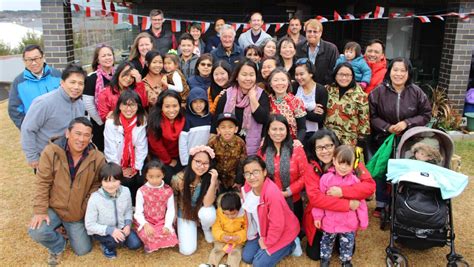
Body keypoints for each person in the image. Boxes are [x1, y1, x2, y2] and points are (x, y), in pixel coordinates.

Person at [28, 117, 106, 265]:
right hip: (55, 207)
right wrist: (40, 211)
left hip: (76, 212)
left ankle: (66, 229)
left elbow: (97, 185)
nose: (81, 139)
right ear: (67, 133)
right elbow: (42, 182)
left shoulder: (98, 157)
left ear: (91, 138)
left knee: (83, 250)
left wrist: (84, 205)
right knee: (36, 231)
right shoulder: (51, 152)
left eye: (86, 135)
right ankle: (58, 245)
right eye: (77, 133)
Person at [369, 57, 432, 215]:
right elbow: (371, 116)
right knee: (383, 170)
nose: (398, 74)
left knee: (404, 171)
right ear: (389, 72)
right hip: (384, 139)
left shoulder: (417, 92)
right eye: (395, 70)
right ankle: (382, 203)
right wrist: (387, 127)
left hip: (409, 140)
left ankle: (402, 202)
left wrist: (407, 123)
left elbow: (426, 114)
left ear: (408, 73)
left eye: (403, 70)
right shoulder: (378, 92)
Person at [303, 129, 375, 261]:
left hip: (345, 218)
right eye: (319, 147)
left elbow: (369, 187)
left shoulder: (349, 161)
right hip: (322, 216)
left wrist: (343, 192)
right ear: (314, 150)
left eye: (329, 146)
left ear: (336, 145)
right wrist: (347, 204)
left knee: (347, 250)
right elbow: (315, 199)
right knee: (314, 255)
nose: (324, 151)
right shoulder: (311, 167)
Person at [21, 64, 87, 170]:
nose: (76, 87)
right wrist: (32, 158)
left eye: (80, 83)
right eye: (72, 82)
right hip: (47, 159)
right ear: (62, 82)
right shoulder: (44, 103)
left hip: (69, 159)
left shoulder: (80, 104)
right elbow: (28, 129)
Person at [311, 145, 368, 267]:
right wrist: (317, 217)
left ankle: (346, 260)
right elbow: (320, 200)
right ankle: (325, 259)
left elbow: (361, 203)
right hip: (329, 221)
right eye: (340, 162)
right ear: (334, 160)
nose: (343, 167)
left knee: (348, 243)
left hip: (348, 222)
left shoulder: (355, 181)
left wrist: (363, 221)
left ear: (354, 164)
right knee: (326, 241)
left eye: (348, 164)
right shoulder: (326, 179)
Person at [241, 156, 300, 266]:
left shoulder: (272, 194)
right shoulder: (247, 189)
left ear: (264, 172)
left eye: (255, 172)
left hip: (282, 232)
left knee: (258, 264)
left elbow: (277, 225)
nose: (251, 177)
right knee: (247, 257)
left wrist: (267, 243)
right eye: (247, 173)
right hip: (262, 230)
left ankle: (291, 245)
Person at [84, 162, 142, 259]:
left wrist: (127, 225)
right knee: (113, 241)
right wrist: (110, 230)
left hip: (121, 227)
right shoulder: (95, 198)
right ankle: (107, 245)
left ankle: (119, 239)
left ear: (120, 180)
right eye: (106, 181)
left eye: (114, 180)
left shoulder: (126, 191)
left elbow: (128, 210)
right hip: (103, 231)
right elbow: (89, 225)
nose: (110, 185)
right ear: (101, 182)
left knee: (135, 244)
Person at [257, 114, 307, 223]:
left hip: (293, 200)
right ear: (268, 131)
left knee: (293, 233)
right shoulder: (262, 152)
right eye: (274, 129)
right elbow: (259, 176)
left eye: (281, 129)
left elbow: (305, 176)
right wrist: (273, 193)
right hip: (270, 200)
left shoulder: (296, 149)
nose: (278, 133)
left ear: (287, 131)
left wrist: (288, 192)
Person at [214, 59, 270, 155]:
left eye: (251, 75)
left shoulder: (261, 95)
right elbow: (216, 120)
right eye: (244, 75)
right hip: (228, 147)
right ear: (236, 77)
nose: (248, 78)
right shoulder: (227, 95)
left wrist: (252, 98)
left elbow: (263, 119)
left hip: (253, 147)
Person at [171, 145, 218, 255]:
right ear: (191, 160)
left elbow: (207, 203)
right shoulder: (178, 178)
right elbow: (174, 196)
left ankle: (206, 228)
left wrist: (213, 183)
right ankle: (192, 226)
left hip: (201, 210)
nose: (201, 166)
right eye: (198, 162)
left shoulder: (210, 178)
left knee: (209, 213)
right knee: (187, 250)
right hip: (185, 212)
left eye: (206, 163)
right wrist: (173, 215)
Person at [104, 90, 148, 205]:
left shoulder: (142, 121)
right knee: (124, 181)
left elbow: (141, 147)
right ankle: (123, 206)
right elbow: (110, 149)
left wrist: (135, 168)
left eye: (132, 105)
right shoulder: (111, 123)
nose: (129, 109)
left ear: (138, 106)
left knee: (139, 179)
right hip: (118, 163)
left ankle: (136, 207)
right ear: (119, 106)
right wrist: (119, 170)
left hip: (134, 163)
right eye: (125, 105)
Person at [8, 44, 61, 129]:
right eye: (29, 60)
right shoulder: (18, 82)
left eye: (36, 58)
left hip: (60, 129)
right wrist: (27, 129)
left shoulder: (58, 76)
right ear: (24, 61)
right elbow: (14, 109)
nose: (33, 63)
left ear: (43, 57)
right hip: (35, 134)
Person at [134, 160, 179, 253]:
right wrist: (145, 225)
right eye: (151, 177)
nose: (154, 180)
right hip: (147, 221)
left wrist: (167, 225)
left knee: (169, 234)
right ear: (146, 176)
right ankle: (150, 244)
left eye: (158, 176)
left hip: (161, 221)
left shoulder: (168, 190)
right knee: (149, 235)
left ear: (163, 175)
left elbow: (170, 210)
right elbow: (138, 212)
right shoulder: (141, 191)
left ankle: (156, 242)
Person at [325, 62, 370, 146]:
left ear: (352, 77)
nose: (344, 78)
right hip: (328, 139)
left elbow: (364, 122)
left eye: (348, 75)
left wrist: (360, 143)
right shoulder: (328, 89)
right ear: (335, 75)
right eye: (341, 74)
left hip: (348, 142)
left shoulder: (360, 95)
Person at [148, 90, 186, 184]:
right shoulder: (155, 120)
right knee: (169, 178)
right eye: (167, 106)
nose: (172, 110)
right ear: (161, 107)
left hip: (180, 155)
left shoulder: (183, 117)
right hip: (161, 157)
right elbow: (157, 146)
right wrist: (169, 161)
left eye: (175, 106)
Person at [84, 44, 115, 151]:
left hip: (118, 123)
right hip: (99, 124)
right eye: (103, 56)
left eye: (109, 55)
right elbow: (88, 104)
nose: (107, 58)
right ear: (98, 60)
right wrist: (101, 121)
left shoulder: (119, 75)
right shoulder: (92, 78)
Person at [208, 113, 247, 193]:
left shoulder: (240, 143)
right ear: (218, 130)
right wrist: (214, 179)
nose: (227, 130)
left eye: (230, 127)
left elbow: (242, 162)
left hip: (233, 181)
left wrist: (238, 181)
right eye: (223, 127)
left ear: (236, 129)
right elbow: (210, 162)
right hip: (217, 180)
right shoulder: (212, 142)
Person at [207, 192, 247, 267]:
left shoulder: (244, 214)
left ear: (239, 209)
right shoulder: (219, 212)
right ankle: (211, 264)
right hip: (222, 238)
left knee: (235, 253)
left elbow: (247, 229)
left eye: (233, 214)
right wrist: (221, 236)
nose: (230, 217)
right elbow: (216, 227)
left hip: (237, 240)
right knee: (217, 250)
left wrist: (239, 237)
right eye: (226, 214)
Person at [267, 68, 306, 141]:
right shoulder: (266, 101)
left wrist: (297, 142)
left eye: (283, 80)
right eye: (276, 80)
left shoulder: (296, 102)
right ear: (270, 84)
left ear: (288, 83)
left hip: (291, 144)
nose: (280, 83)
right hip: (271, 143)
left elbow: (302, 128)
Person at [294, 58, 328, 143]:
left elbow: (319, 118)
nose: (298, 77)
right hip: (296, 132)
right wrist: (311, 108)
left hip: (314, 134)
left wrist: (298, 109)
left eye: (301, 74)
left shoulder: (321, 90)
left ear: (310, 74)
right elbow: (290, 110)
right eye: (296, 75)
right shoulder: (294, 87)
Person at [296, 19, 338, 85]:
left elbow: (334, 70)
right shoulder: (298, 47)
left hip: (324, 87)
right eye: (309, 31)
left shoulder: (331, 49)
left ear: (320, 33)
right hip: (302, 86)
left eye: (315, 32)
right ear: (305, 32)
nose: (312, 34)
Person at [179, 88, 212, 166]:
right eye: (195, 102)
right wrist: (185, 162)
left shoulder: (210, 117)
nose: (198, 105)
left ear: (206, 102)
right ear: (190, 103)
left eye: (201, 101)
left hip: (207, 158)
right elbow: (182, 142)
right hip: (191, 159)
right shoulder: (187, 119)